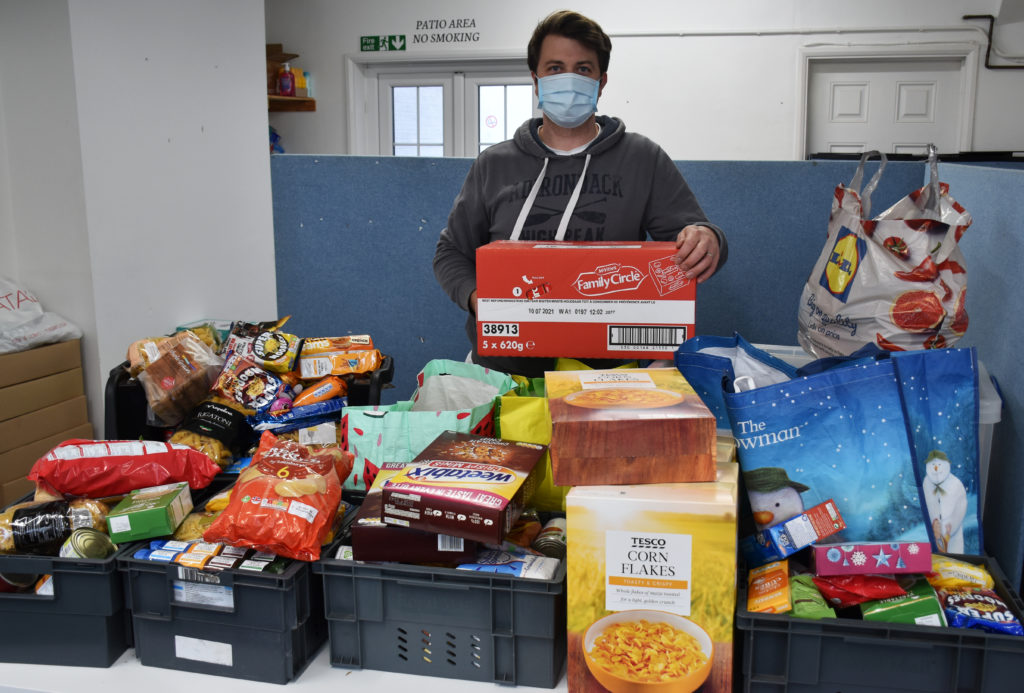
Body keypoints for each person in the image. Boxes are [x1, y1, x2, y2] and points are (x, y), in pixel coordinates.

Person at [433, 9, 727, 378]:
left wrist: (707, 239)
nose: (568, 79)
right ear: (536, 79)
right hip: (505, 372)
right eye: (555, 68)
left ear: (601, 82)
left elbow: (694, 235)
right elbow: (450, 253)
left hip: (607, 375)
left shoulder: (641, 158)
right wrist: (480, 300)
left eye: (583, 69)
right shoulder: (495, 164)